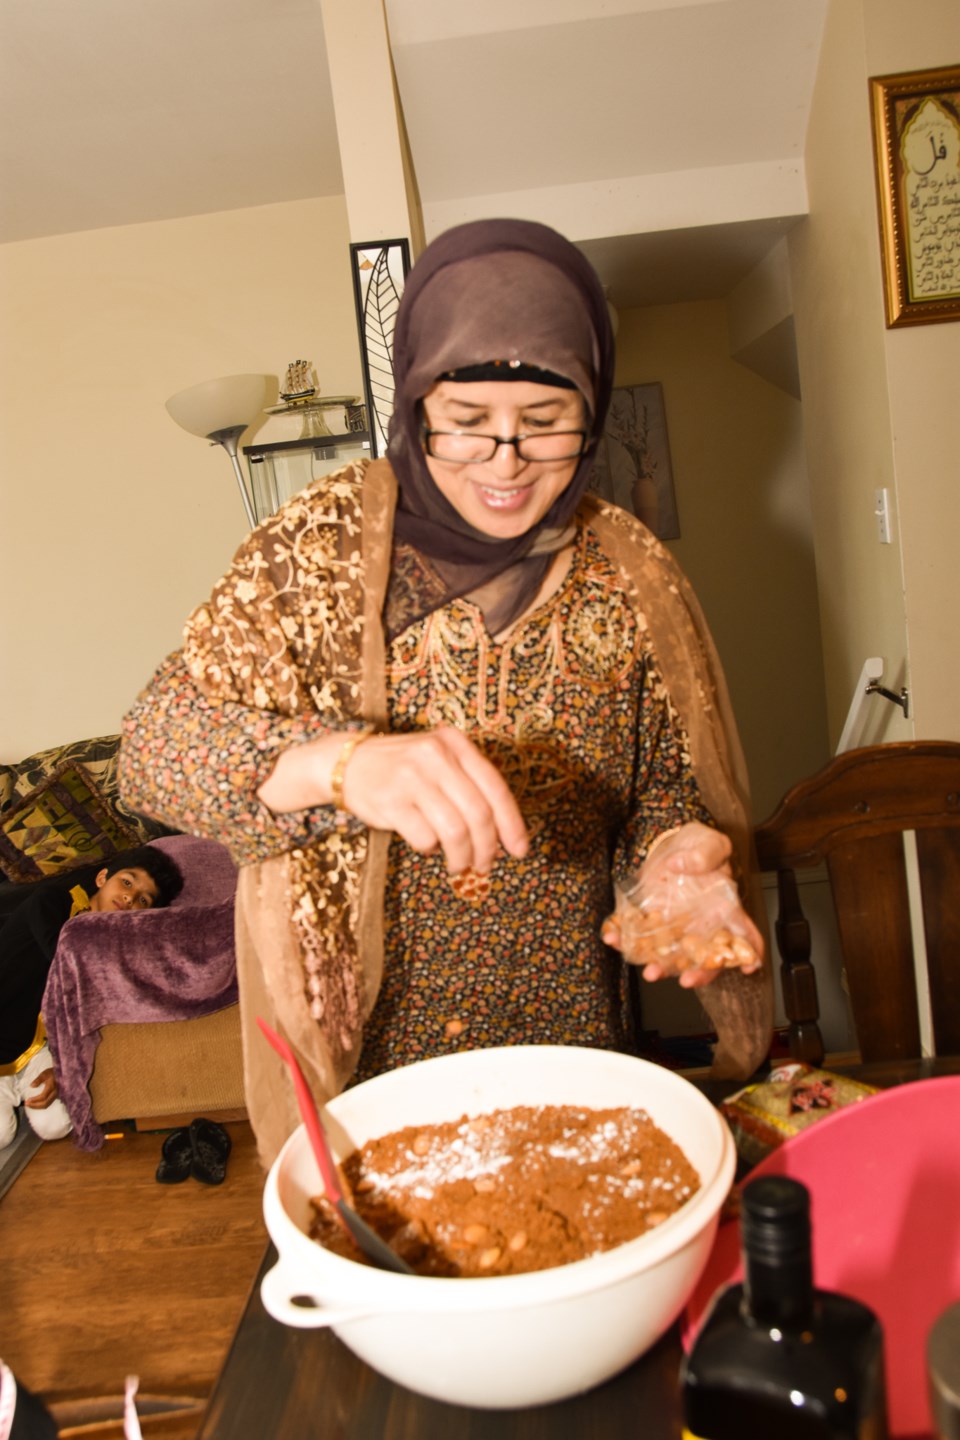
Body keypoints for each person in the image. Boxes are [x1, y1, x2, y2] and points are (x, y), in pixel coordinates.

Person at [119, 218, 772, 1167]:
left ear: (592, 411)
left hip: (574, 1049)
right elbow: (150, 754)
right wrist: (336, 764)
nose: (504, 462)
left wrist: (675, 853)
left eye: (545, 424)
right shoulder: (318, 549)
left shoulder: (632, 571)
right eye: (466, 422)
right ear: (416, 403)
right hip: (368, 1075)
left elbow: (659, 785)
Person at [0, 845, 183, 1148]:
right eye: (126, 882)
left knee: (56, 1125)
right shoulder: (53, 901)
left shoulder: (112, 948)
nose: (129, 898)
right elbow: (67, 963)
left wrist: (61, 1068)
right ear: (101, 878)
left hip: (31, 1048)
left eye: (142, 900)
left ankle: (17, 1090)